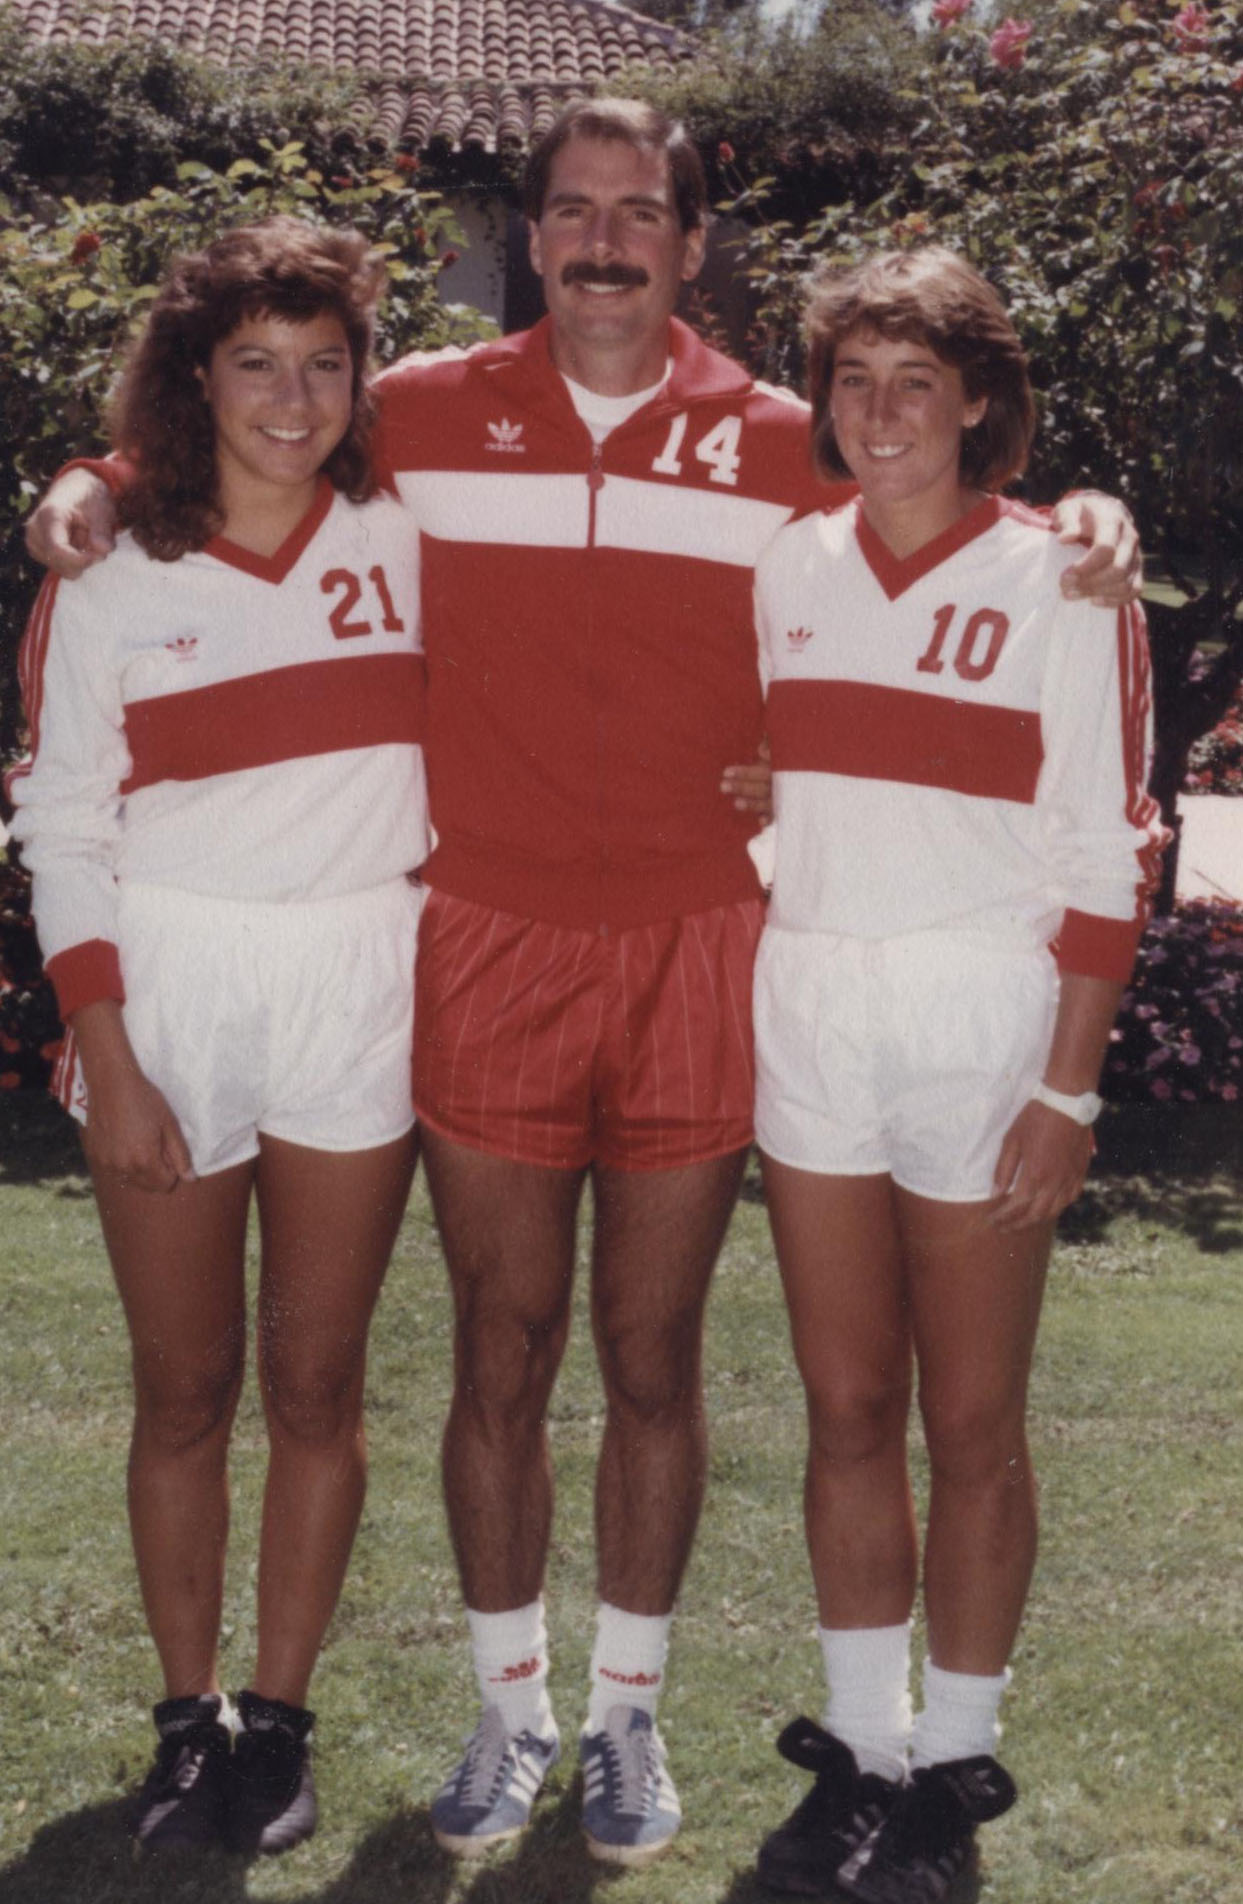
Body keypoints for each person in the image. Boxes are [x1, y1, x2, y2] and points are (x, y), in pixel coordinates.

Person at [23, 101, 1143, 1870]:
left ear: (695, 246)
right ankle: (506, 1709)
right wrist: (85, 483)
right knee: (501, 1347)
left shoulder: (795, 441)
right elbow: (226, 432)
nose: (607, 240)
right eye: (572, 211)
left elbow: (975, 521)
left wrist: (1098, 507)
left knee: (653, 1355)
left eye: (643, 212)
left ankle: (628, 1720)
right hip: (481, 935)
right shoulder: (422, 420)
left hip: (708, 944)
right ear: (533, 237)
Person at [6, 218, 427, 1858]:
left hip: (360, 978)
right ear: (194, 375)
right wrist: (104, 1050)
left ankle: (282, 1722)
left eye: (326, 364)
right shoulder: (108, 569)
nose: (294, 396)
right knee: (184, 1389)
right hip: (170, 994)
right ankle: (190, 1723)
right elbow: (61, 823)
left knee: (320, 1385)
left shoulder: (409, 528)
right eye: (255, 359)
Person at [750, 247, 1166, 1904]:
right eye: (851, 382)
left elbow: (1103, 851)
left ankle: (953, 1771)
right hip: (812, 1017)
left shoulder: (1063, 576)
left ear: (981, 400)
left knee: (971, 1415)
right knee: (848, 1408)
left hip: (987, 1034)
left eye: (914, 382)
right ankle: (863, 1749)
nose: (879, 414)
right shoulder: (784, 560)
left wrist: (1066, 1092)